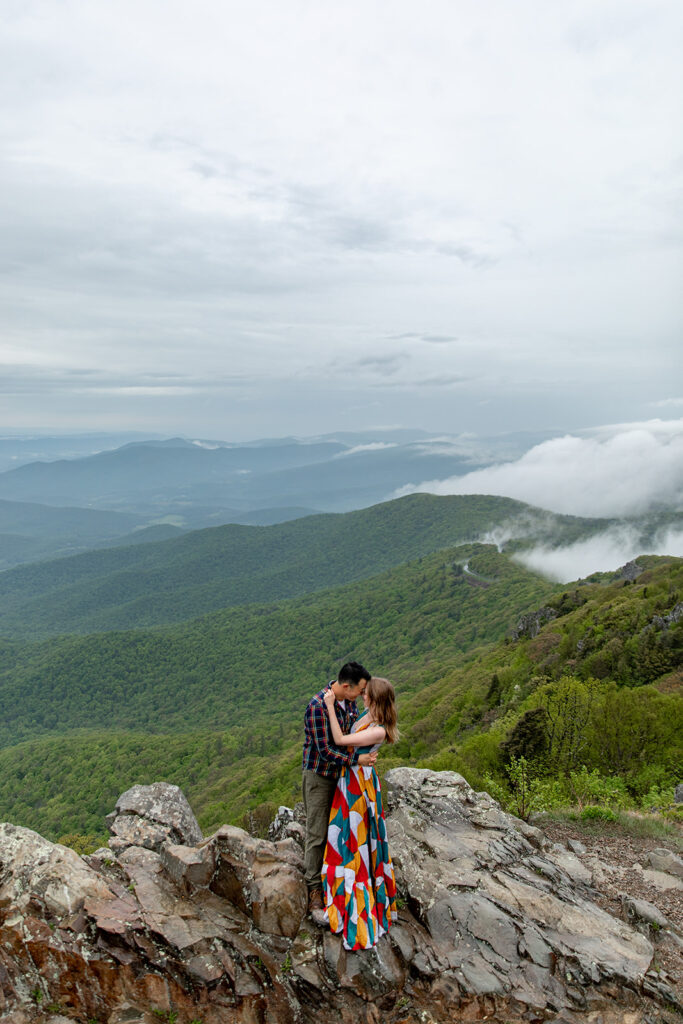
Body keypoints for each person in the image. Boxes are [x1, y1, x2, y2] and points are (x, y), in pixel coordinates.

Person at [321, 676, 398, 950]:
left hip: (359, 786)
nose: (362, 695)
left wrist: (329, 705)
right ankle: (344, 897)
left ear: (375, 699)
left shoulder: (378, 730)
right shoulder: (367, 716)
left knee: (356, 843)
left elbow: (341, 739)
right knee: (346, 838)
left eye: (366, 693)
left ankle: (357, 910)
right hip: (352, 779)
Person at [302, 661, 377, 920]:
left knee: (340, 830)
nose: (363, 695)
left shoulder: (348, 702)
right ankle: (313, 890)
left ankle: (335, 881)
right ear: (346, 686)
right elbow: (325, 751)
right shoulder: (317, 707)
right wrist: (357, 760)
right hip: (321, 777)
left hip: (342, 777)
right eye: (360, 690)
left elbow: (349, 735)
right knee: (318, 831)